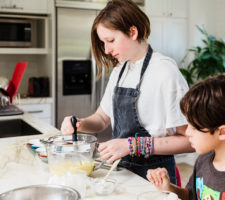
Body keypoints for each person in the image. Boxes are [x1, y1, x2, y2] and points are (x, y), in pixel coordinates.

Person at [60, 0, 194, 184]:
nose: (106, 50)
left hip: (155, 177)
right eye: (103, 43)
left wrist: (132, 145)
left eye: (111, 41)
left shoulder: (165, 72)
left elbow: (190, 141)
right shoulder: (120, 70)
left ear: (132, 32)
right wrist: (80, 123)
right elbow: (101, 119)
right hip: (122, 172)